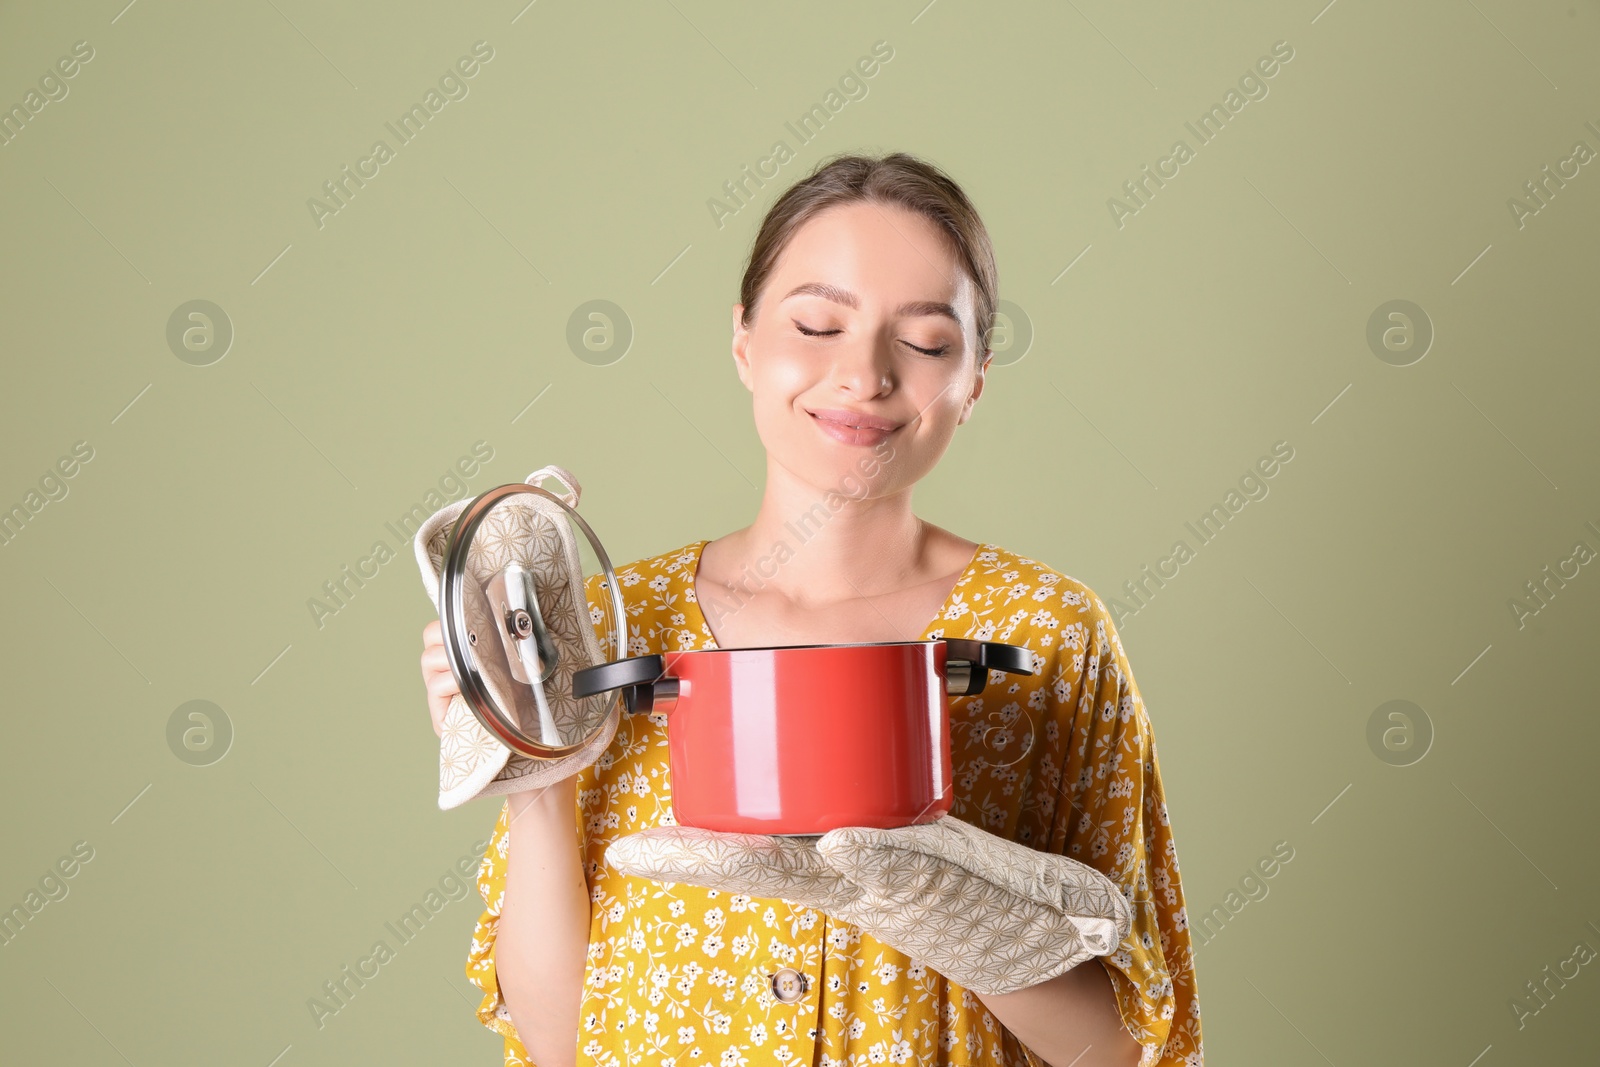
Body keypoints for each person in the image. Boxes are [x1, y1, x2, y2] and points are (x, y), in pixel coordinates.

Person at [419, 151, 1203, 1067]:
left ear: (977, 377)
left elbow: (1127, 1051)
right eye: (818, 324)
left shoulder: (1050, 630)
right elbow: (555, 1045)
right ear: (745, 341)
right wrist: (536, 776)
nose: (863, 375)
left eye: (925, 343)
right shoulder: (605, 630)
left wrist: (960, 917)